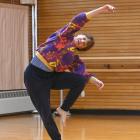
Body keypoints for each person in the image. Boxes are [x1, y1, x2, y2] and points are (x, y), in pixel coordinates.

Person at [24, 4, 115, 140]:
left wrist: (95, 80)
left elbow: (82, 73)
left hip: (49, 77)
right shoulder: (66, 34)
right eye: (83, 38)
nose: (82, 41)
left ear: (82, 48)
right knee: (46, 114)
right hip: (34, 76)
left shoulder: (72, 59)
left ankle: (63, 108)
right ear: (79, 34)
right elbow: (80, 18)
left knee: (79, 81)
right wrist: (102, 10)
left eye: (84, 43)